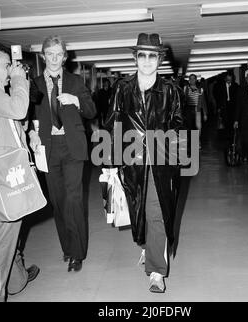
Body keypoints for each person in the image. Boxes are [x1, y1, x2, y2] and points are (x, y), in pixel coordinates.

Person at [103, 33, 185, 293]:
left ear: (159, 59)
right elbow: (112, 123)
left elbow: (179, 126)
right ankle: (146, 246)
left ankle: (157, 272)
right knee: (138, 214)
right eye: (142, 55)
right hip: (131, 162)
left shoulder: (171, 90)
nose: (147, 61)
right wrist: (110, 161)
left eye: (152, 55)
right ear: (135, 58)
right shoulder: (122, 88)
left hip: (161, 165)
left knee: (157, 213)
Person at [29, 35, 96, 272]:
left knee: (74, 200)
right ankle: (67, 248)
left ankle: (77, 253)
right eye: (50, 54)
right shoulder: (34, 84)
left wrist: (75, 100)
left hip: (72, 146)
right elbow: (28, 117)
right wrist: (31, 133)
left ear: (65, 57)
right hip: (48, 148)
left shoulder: (76, 81)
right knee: (58, 203)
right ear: (43, 56)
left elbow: (91, 111)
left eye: (59, 54)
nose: (55, 59)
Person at [0, 43, 39, 302]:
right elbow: (19, 109)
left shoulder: (1, 92)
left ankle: (17, 279)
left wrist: (28, 134)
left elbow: (11, 125)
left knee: (7, 239)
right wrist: (20, 78)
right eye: (4, 65)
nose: (9, 69)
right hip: (3, 180)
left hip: (4, 174)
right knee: (3, 244)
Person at [183, 74, 207, 146]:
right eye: (190, 79)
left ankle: (197, 141)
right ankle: (190, 143)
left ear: (196, 80)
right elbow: (183, 100)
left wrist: (205, 113)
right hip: (188, 110)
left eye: (193, 79)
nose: (192, 80)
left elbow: (203, 102)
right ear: (189, 80)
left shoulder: (200, 89)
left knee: (198, 127)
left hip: (197, 109)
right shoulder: (186, 88)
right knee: (189, 127)